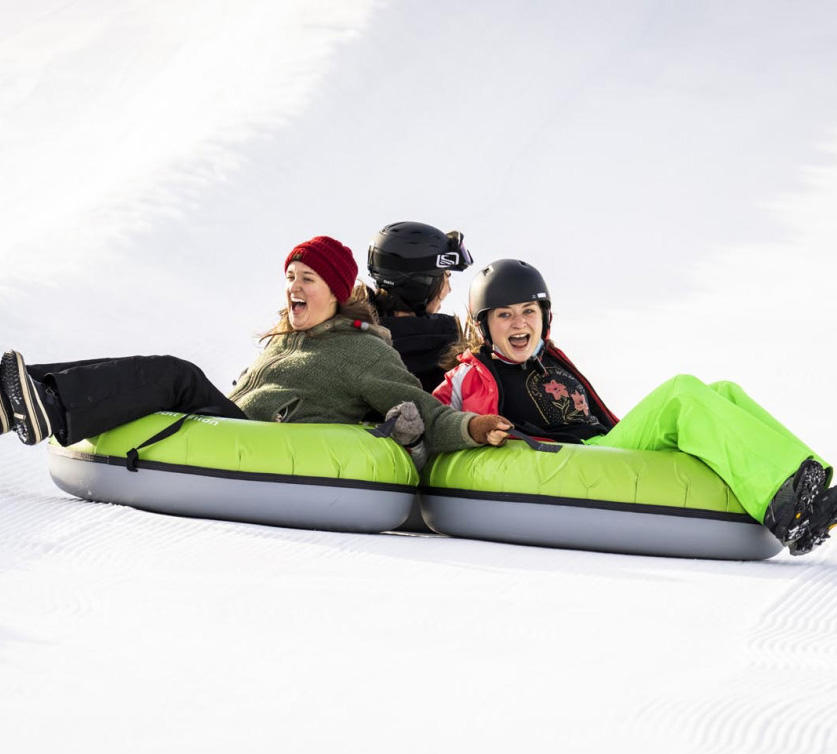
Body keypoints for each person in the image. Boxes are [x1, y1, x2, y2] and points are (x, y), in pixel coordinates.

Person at [434, 258, 837, 556]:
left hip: (608, 442)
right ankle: (790, 508)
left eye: (528, 312)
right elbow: (434, 414)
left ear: (545, 317)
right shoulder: (475, 372)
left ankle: (810, 485)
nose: (519, 323)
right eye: (504, 315)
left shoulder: (550, 358)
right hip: (579, 458)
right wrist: (468, 425)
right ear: (485, 326)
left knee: (724, 390)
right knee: (682, 392)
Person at [1, 236, 509, 457]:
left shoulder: (367, 352)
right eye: (290, 276)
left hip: (262, 438)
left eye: (307, 278)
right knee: (141, 369)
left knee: (177, 374)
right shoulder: (290, 337)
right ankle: (17, 398)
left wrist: (475, 427)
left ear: (335, 291)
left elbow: (425, 410)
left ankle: (44, 407)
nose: (294, 287)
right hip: (231, 421)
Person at [366, 221, 471, 391]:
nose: (449, 289)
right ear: (421, 284)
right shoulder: (454, 348)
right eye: (446, 276)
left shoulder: (345, 336)